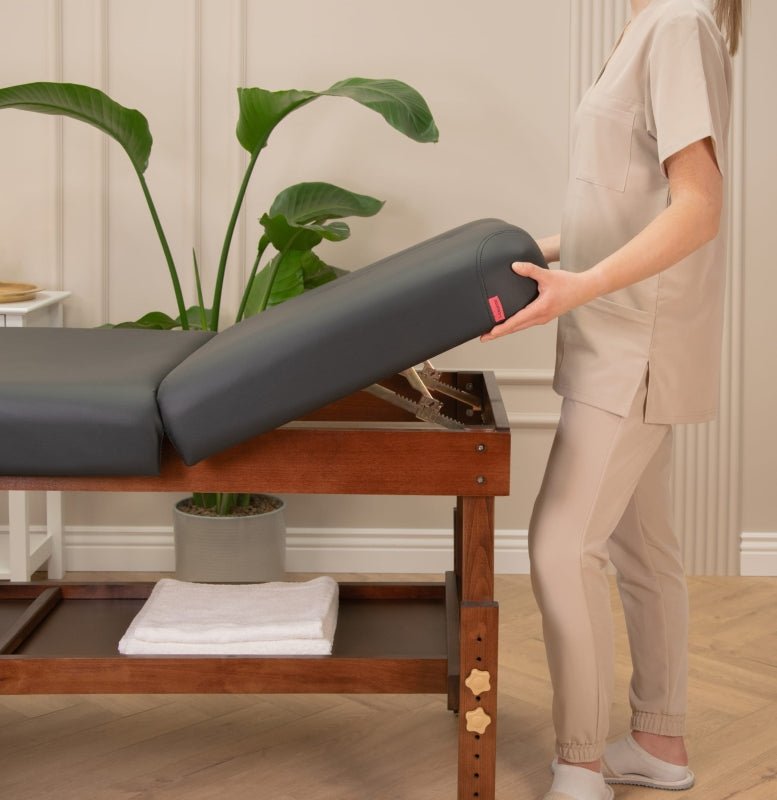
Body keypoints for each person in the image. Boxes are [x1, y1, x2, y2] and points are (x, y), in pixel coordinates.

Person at [480, 1, 742, 799]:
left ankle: (580, 765)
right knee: (641, 547)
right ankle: (658, 741)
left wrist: (583, 285)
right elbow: (628, 203)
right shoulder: (647, 26)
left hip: (632, 342)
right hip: (619, 330)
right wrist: (531, 254)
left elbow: (697, 205)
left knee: (560, 549)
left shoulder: (674, 24)